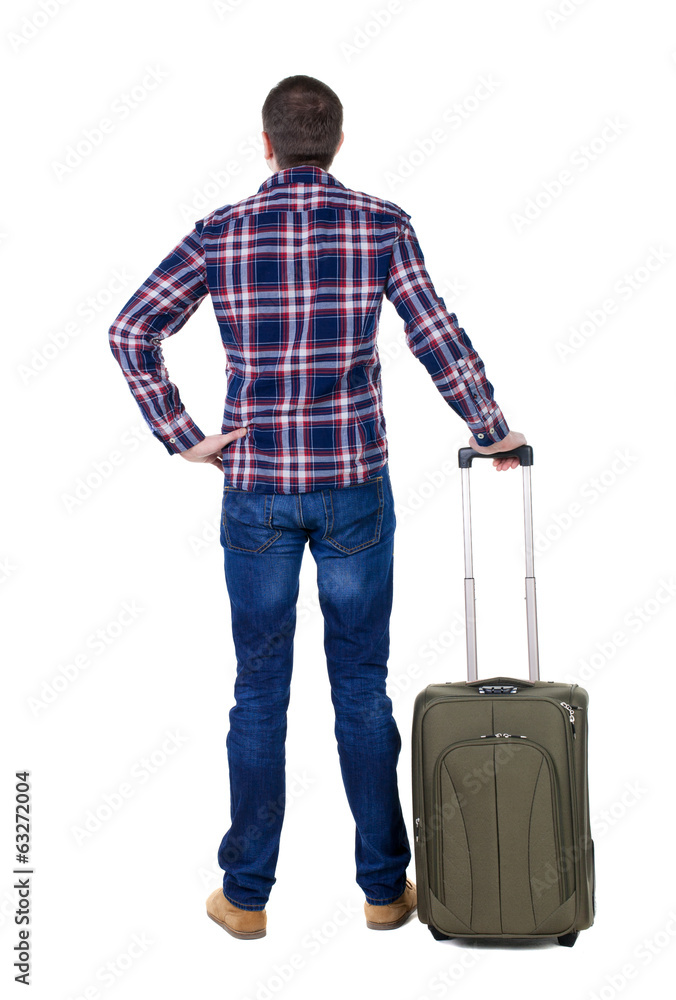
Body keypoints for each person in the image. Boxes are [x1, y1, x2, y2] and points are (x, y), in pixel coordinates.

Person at [108, 74, 526, 941]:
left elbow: (130, 328)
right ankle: (384, 891)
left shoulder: (221, 230)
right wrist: (491, 429)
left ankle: (245, 899)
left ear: (267, 144)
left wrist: (184, 437)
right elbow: (434, 334)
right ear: (336, 141)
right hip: (353, 490)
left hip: (256, 489)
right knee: (362, 690)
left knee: (259, 693)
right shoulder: (381, 223)